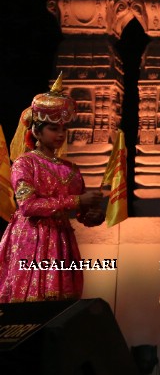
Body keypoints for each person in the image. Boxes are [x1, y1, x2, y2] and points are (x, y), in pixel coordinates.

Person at [0, 75, 105, 302]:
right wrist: (78, 202)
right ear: (36, 132)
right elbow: (27, 206)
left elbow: (81, 213)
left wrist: (93, 214)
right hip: (31, 237)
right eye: (52, 128)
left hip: (61, 239)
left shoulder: (71, 169)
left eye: (62, 129)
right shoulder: (25, 163)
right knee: (31, 304)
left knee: (62, 307)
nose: (59, 134)